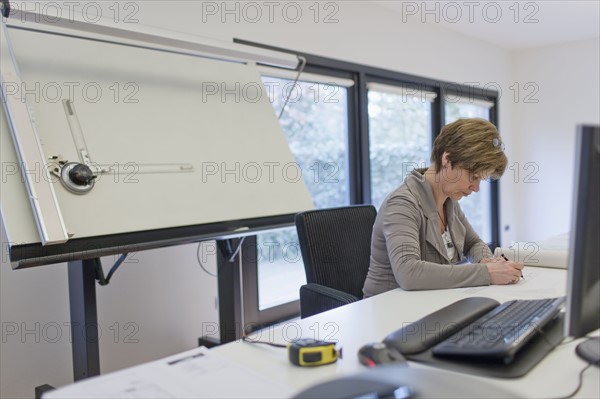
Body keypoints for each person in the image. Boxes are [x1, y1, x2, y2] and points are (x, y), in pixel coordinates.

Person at [363, 118, 524, 297]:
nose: (476, 188)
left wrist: (487, 261)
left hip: (431, 303)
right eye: (473, 176)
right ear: (447, 159)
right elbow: (409, 273)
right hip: (389, 311)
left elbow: (473, 243)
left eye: (481, 179)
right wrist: (487, 273)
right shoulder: (402, 203)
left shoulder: (449, 201)